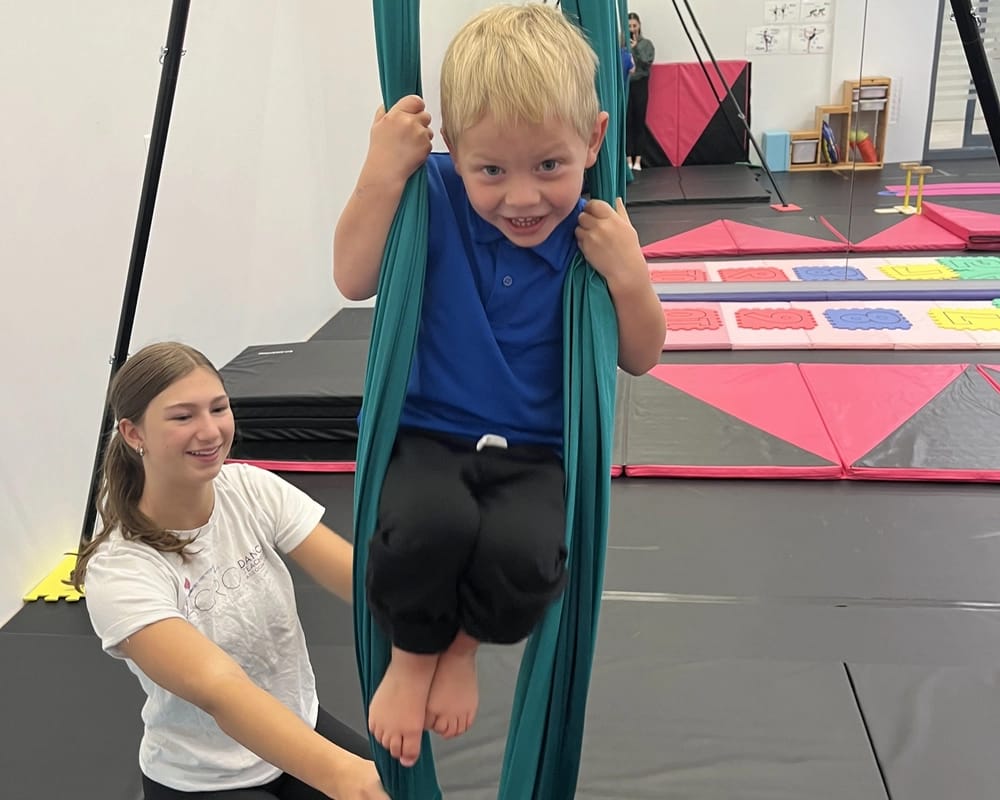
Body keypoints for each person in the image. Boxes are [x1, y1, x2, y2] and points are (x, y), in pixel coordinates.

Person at [333, 2, 665, 771]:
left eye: (550, 165)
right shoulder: (433, 196)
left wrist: (629, 274)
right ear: (454, 150)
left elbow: (641, 356)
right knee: (422, 531)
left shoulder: (595, 230)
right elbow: (352, 276)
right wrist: (381, 175)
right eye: (492, 170)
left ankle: (463, 647)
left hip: (536, 449)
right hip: (429, 432)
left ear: (594, 139)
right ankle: (414, 655)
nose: (522, 198)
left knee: (529, 562)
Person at [75, 342, 388, 800]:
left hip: (297, 724)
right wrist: (343, 776)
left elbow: (359, 581)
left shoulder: (249, 488)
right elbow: (219, 688)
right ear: (133, 433)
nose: (209, 431)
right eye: (183, 417)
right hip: (204, 777)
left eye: (218, 408)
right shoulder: (120, 570)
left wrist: (441, 626)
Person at [626, 11, 655, 171]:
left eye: (634, 26)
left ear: (639, 26)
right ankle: (628, 159)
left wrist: (636, 48)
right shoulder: (623, 43)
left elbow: (647, 63)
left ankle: (638, 160)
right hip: (626, 85)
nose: (632, 29)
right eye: (629, 26)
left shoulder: (646, 44)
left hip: (641, 84)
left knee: (639, 122)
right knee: (627, 122)